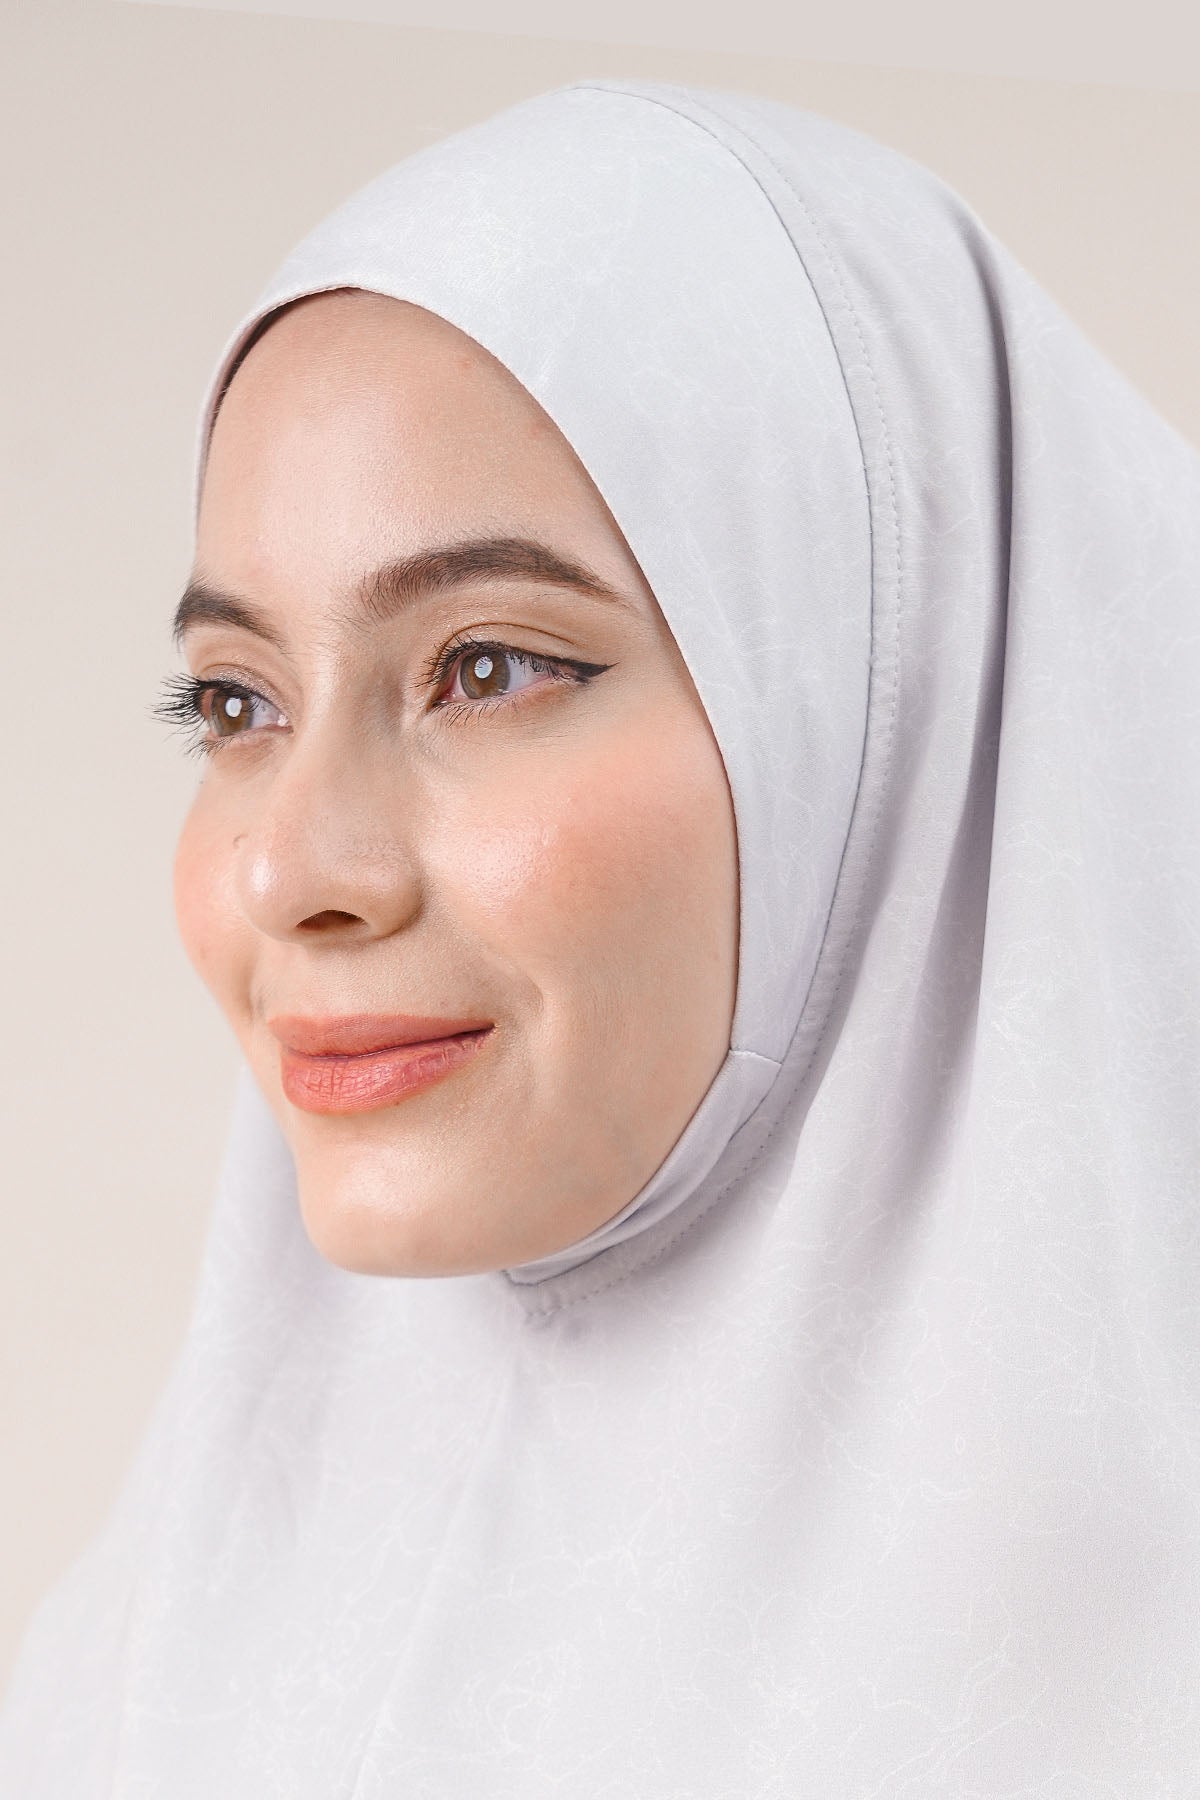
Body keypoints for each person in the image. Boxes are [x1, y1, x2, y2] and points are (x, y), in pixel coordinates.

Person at [1, 75, 1197, 1796]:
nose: (294, 874)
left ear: (877, 715)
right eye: (235, 702)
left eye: (487, 668)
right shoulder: (150, 1659)